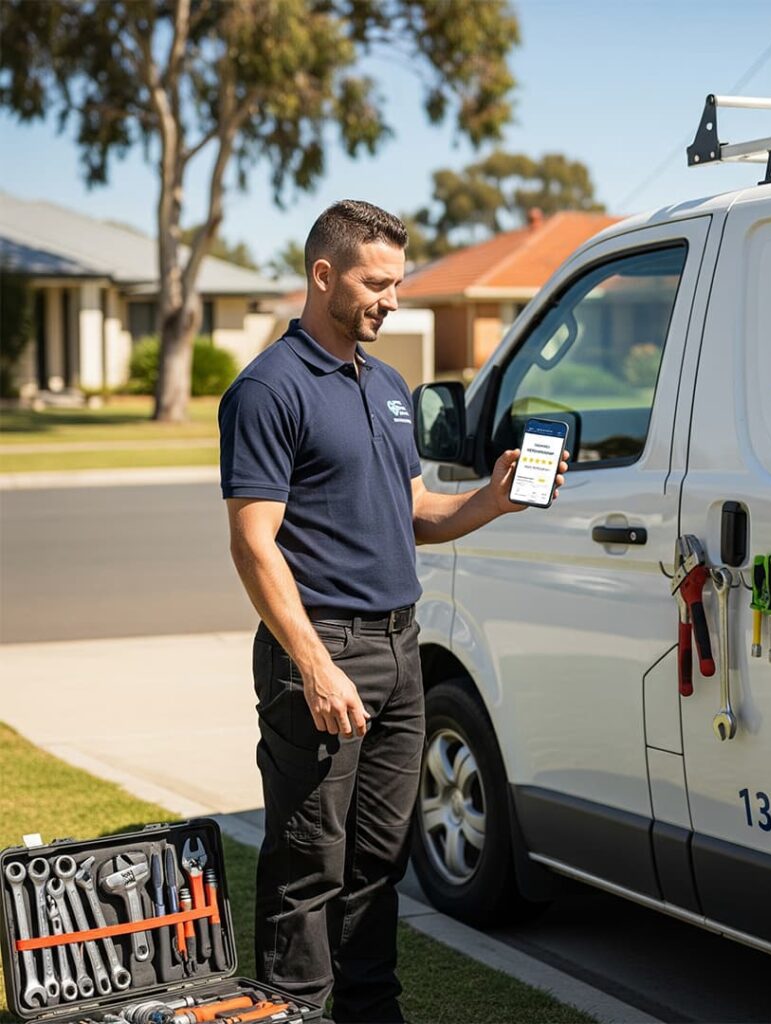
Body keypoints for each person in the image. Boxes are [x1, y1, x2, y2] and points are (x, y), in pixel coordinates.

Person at [218, 200, 567, 1023]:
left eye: (399, 283)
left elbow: (417, 514)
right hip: (323, 653)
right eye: (377, 283)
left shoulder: (389, 386)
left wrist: (493, 497)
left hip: (400, 647)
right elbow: (253, 544)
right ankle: (296, 1009)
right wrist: (313, 665)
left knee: (380, 855)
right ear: (323, 274)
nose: (392, 300)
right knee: (311, 860)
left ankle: (372, 1012)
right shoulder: (269, 389)